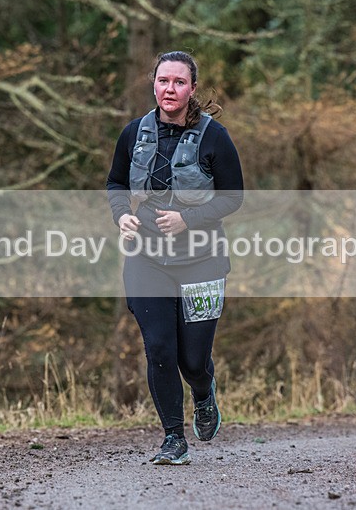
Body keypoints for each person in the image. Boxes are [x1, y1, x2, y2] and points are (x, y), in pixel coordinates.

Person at [106, 51, 244, 465]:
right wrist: (122, 216)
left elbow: (233, 197)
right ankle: (172, 438)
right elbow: (115, 182)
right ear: (153, 84)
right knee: (160, 349)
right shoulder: (134, 133)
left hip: (202, 260)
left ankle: (203, 394)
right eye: (163, 81)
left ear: (192, 89)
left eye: (179, 82)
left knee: (192, 360)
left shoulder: (214, 136)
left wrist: (188, 219)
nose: (170, 89)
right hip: (146, 259)